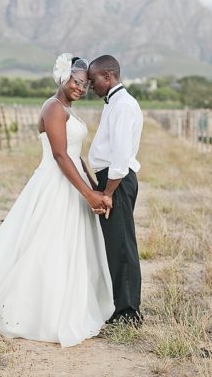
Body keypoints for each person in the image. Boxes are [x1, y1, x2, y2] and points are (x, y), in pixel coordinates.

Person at [0, 53, 114, 347]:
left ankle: (68, 300)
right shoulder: (53, 108)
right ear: (64, 78)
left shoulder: (68, 110)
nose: (80, 88)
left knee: (70, 246)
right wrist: (87, 194)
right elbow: (60, 156)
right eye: (76, 82)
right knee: (44, 245)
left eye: (85, 85)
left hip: (74, 180)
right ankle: (38, 310)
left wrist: (95, 188)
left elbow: (75, 155)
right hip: (55, 183)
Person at [88, 55, 144, 325]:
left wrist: (108, 193)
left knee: (122, 245)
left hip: (117, 183)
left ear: (108, 76)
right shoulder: (115, 103)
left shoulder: (122, 105)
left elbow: (120, 159)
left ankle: (129, 312)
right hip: (111, 181)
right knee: (114, 244)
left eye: (93, 80)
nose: (90, 86)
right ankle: (119, 306)